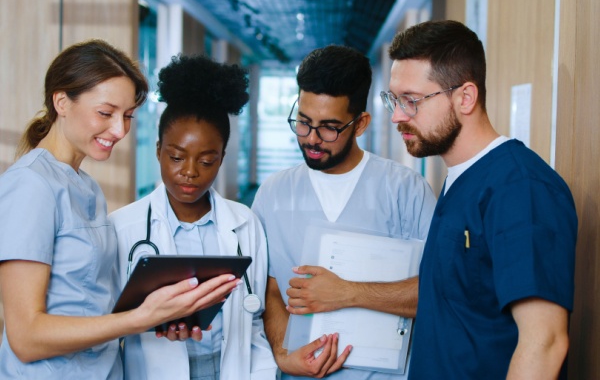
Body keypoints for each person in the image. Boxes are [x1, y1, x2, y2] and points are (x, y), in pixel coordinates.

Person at [0, 40, 240, 379]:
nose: (119, 130)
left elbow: (89, 303)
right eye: (105, 113)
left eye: (127, 116)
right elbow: (25, 337)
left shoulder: (86, 187)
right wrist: (140, 317)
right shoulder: (31, 185)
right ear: (61, 102)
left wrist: (164, 315)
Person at [382, 20, 577, 379]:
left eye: (411, 101)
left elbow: (545, 342)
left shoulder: (520, 188)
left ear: (465, 98)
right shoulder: (459, 178)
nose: (397, 116)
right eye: (393, 99)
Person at [251, 45, 437, 380]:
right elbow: (270, 290)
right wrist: (282, 354)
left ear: (361, 123)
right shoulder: (274, 194)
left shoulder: (405, 191)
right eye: (304, 122)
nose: (311, 138)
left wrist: (349, 292)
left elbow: (440, 290)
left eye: (329, 127)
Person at [109, 54, 277, 380]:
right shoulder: (122, 228)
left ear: (222, 158)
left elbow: (254, 318)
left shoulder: (245, 222)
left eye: (206, 161)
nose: (189, 172)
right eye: (176, 156)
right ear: (158, 150)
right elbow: (109, 327)